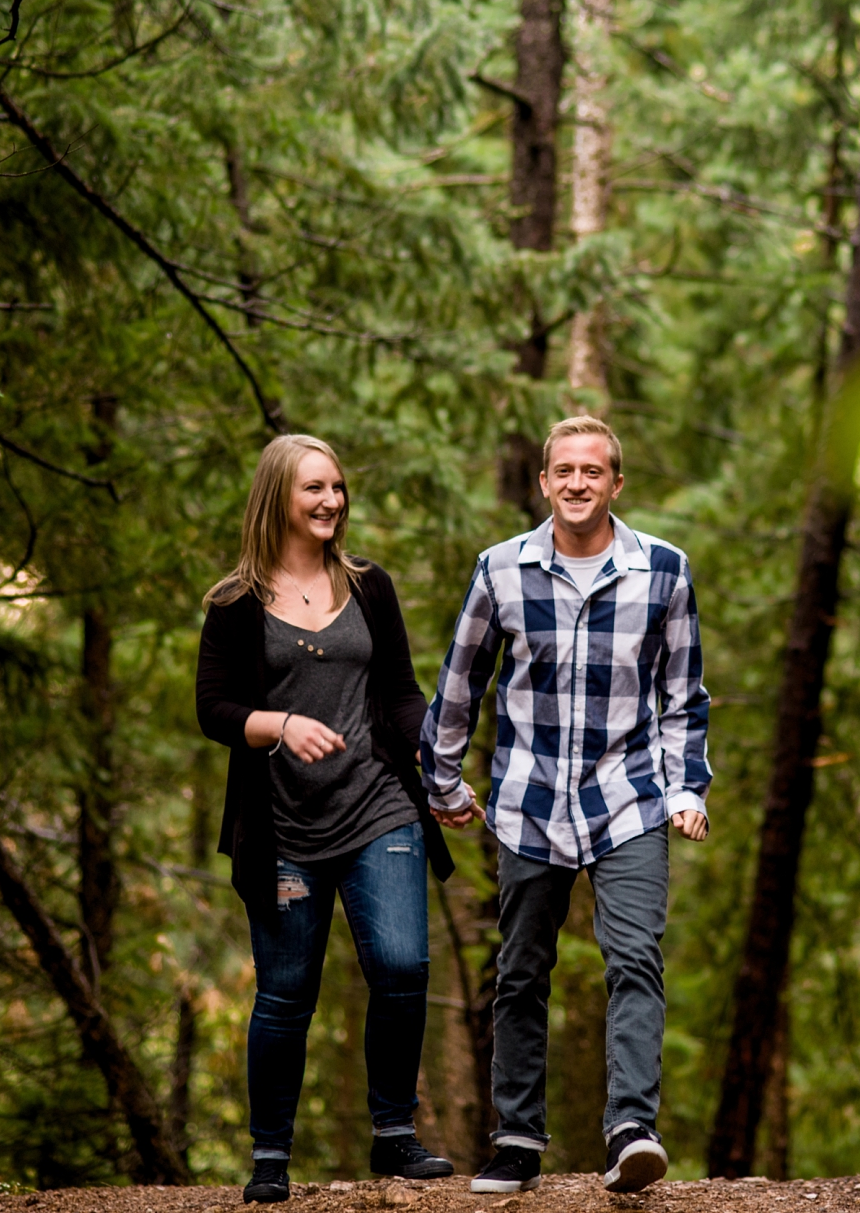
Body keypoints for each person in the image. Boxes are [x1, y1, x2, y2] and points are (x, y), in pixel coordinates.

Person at [421, 414, 712, 1195]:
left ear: (616, 483)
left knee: (635, 958)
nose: (578, 482)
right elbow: (461, 682)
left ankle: (631, 1130)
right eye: (565, 471)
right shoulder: (500, 570)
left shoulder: (664, 570)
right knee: (520, 970)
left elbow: (685, 697)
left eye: (594, 470)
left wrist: (687, 787)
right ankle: (515, 1140)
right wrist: (442, 781)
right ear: (544, 482)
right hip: (531, 798)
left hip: (631, 796)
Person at [196, 434, 458, 1203]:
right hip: (282, 828)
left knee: (405, 966)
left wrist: (438, 767)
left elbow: (403, 692)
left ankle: (394, 1134)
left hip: (379, 804)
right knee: (285, 990)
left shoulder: (369, 586)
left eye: (338, 487)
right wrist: (277, 723)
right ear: (278, 495)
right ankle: (270, 1153)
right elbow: (213, 709)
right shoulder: (236, 604)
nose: (331, 501)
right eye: (314, 487)